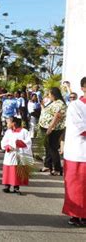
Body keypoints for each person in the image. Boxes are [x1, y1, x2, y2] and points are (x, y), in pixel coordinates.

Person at [61, 77, 86, 226]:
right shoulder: (75, 105)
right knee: (76, 185)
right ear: (83, 88)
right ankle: (76, 214)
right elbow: (80, 127)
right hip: (78, 151)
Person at [0, 117, 33, 194]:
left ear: (13, 123)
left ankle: (16, 187)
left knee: (16, 170)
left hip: (19, 153)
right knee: (8, 169)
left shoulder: (24, 132)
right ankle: (7, 186)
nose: (7, 124)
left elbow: (28, 142)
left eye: (8, 122)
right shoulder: (8, 132)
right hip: (10, 153)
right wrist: (7, 146)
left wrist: (17, 143)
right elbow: (3, 142)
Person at [38, 87, 67, 175]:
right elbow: (48, 112)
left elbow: (57, 116)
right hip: (47, 127)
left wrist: (50, 127)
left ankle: (58, 169)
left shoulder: (59, 103)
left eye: (49, 94)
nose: (48, 95)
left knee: (52, 148)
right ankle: (47, 165)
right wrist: (42, 105)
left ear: (54, 94)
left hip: (54, 129)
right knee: (48, 147)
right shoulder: (54, 102)